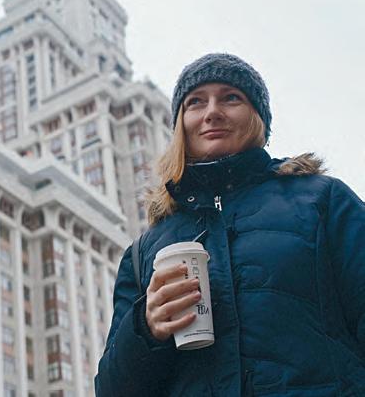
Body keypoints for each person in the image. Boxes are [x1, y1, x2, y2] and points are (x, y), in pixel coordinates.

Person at [95, 53, 365, 396]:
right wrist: (145, 329)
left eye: (231, 97)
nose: (212, 112)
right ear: (180, 126)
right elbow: (112, 390)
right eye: (196, 102)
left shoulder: (322, 201)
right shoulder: (143, 252)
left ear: (257, 118)